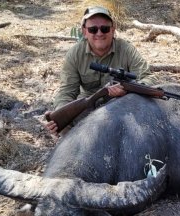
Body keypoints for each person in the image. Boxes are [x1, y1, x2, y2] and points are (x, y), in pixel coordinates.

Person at [45, 6, 158, 136]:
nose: (99, 33)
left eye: (105, 29)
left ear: (113, 30)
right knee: (64, 127)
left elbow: (149, 78)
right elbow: (66, 91)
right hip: (86, 106)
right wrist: (59, 114)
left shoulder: (126, 49)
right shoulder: (74, 54)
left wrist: (128, 90)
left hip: (121, 103)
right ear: (84, 32)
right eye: (93, 29)